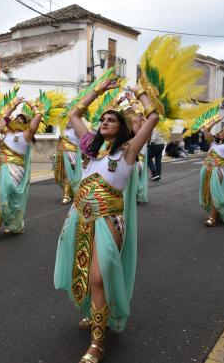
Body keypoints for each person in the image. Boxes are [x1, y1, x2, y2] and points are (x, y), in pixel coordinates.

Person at [54, 78, 159, 363]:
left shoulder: (127, 152)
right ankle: (94, 314)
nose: (105, 121)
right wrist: (99, 90)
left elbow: (153, 117)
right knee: (85, 274)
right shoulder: (90, 150)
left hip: (108, 220)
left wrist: (138, 93)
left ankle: (97, 344)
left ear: (122, 128)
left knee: (99, 277)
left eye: (112, 119)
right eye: (103, 118)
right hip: (79, 217)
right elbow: (75, 114)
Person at [0, 96, 42, 243]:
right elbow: (1, 121)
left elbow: (37, 118)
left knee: (7, 196)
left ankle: (12, 223)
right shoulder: (7, 133)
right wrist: (14, 104)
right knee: (0, 196)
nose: (18, 120)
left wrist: (33, 106)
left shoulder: (27, 135)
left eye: (22, 120)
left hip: (14, 169)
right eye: (17, 118)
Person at [54, 122, 81, 204]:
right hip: (62, 154)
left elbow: (81, 142)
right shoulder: (62, 130)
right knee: (64, 175)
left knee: (70, 174)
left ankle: (69, 194)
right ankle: (67, 194)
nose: (68, 121)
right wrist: (57, 154)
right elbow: (59, 142)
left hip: (72, 153)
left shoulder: (77, 130)